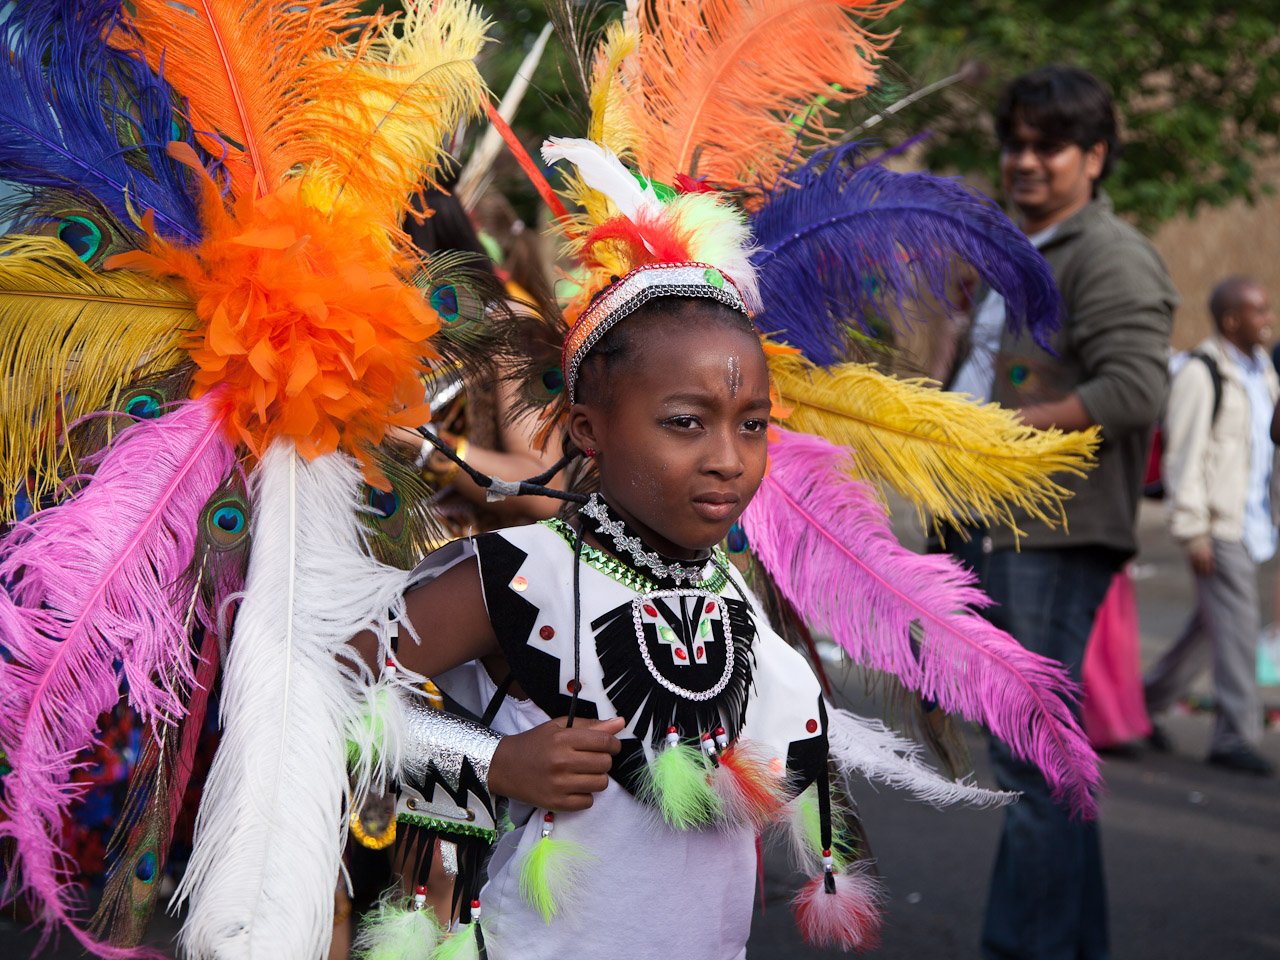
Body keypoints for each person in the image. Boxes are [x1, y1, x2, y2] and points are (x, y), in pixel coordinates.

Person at [943, 65, 1177, 960]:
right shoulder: (1022, 249)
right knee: (1051, 770)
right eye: (1015, 144)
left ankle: (1022, 950)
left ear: (1096, 156)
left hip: (1051, 534)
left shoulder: (1110, 254)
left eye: (1049, 147)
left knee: (1033, 768)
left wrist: (1003, 432)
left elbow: (1132, 387)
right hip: (1000, 528)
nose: (1026, 162)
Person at [1144, 278, 1277, 776]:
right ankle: (1234, 735)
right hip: (1220, 526)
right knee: (1239, 633)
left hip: (1255, 523)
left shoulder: (1260, 370)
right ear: (1231, 321)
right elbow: (1184, 455)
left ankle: (1140, 706)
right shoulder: (1202, 374)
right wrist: (1193, 529)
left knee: (1207, 631)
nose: (1268, 319)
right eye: (1259, 311)